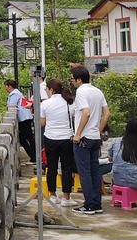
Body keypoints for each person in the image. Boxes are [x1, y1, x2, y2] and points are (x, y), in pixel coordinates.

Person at [70, 66, 110, 215]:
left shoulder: (81, 91)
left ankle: (88, 205)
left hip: (84, 138)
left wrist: (77, 134)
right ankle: (96, 203)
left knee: (84, 172)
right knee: (95, 171)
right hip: (94, 137)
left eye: (73, 79)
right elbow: (106, 113)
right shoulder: (97, 91)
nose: (72, 82)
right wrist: (98, 130)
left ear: (79, 80)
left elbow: (85, 113)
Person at [40, 79, 76, 207]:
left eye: (46, 89)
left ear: (51, 90)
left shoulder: (45, 104)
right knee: (67, 168)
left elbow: (42, 123)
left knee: (52, 167)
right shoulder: (69, 103)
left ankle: (53, 195)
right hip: (66, 138)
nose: (46, 92)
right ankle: (66, 197)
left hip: (50, 138)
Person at [108, 118, 137, 207]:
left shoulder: (115, 141)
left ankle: (116, 196)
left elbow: (110, 158)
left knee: (115, 168)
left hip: (118, 180)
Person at [8, 79, 36, 161]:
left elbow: (11, 105)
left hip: (23, 118)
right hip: (26, 117)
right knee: (30, 137)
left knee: (23, 139)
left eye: (6, 86)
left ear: (9, 86)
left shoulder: (14, 94)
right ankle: (36, 156)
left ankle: (33, 156)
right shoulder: (18, 92)